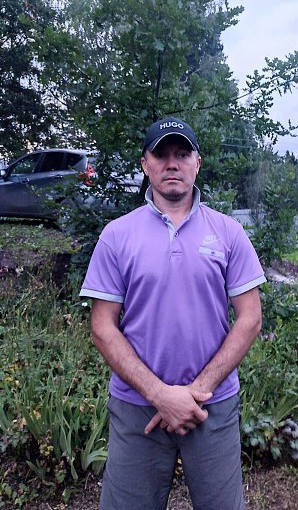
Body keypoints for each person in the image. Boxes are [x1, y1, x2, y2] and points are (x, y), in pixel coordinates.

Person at [80, 117, 266, 510]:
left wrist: (195, 392)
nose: (172, 163)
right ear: (145, 164)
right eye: (161, 154)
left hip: (212, 406)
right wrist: (159, 395)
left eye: (182, 154)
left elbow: (250, 318)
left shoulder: (229, 233)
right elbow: (102, 326)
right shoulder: (116, 236)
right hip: (137, 408)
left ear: (198, 162)